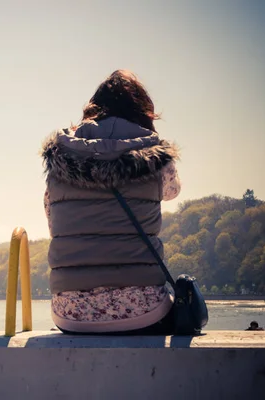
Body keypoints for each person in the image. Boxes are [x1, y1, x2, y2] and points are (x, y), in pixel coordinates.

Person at [41, 70, 181, 335]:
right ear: (144, 112)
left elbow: (52, 219)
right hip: (144, 310)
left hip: (71, 312)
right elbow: (171, 192)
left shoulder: (60, 156)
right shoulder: (157, 156)